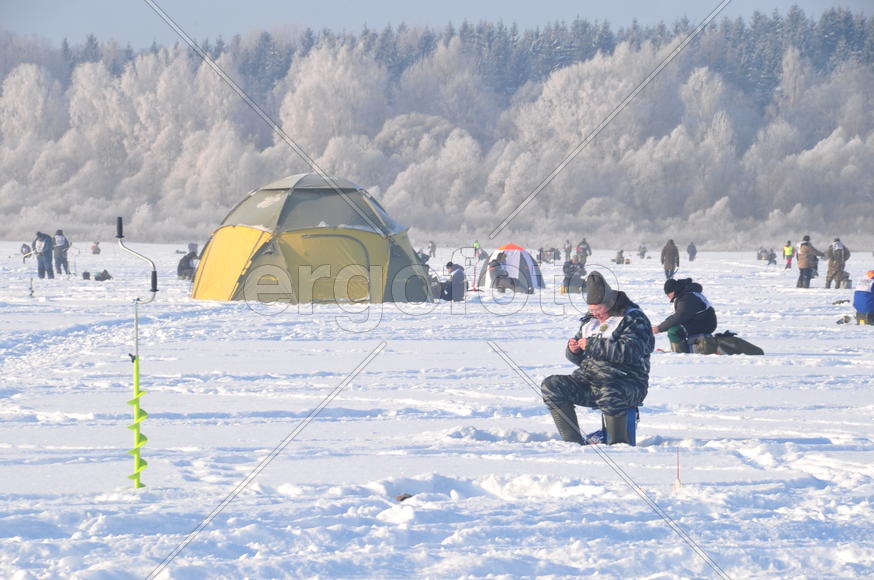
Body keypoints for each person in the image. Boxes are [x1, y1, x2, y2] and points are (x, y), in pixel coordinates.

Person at [541, 272, 654, 446]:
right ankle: (573, 444)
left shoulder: (633, 318)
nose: (595, 314)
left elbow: (631, 352)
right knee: (552, 385)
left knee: (610, 392)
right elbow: (581, 358)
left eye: (598, 310)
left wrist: (593, 345)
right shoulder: (590, 321)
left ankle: (617, 444)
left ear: (609, 304)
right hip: (590, 381)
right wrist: (574, 350)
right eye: (591, 310)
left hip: (627, 382)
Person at [652, 278, 718, 353]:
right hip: (700, 321)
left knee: (674, 331)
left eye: (668, 294)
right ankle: (682, 348)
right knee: (675, 327)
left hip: (705, 324)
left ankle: (680, 353)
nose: (668, 297)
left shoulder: (687, 298)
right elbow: (676, 316)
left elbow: (679, 317)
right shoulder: (686, 294)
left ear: (673, 291)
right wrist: (661, 326)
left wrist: (659, 328)